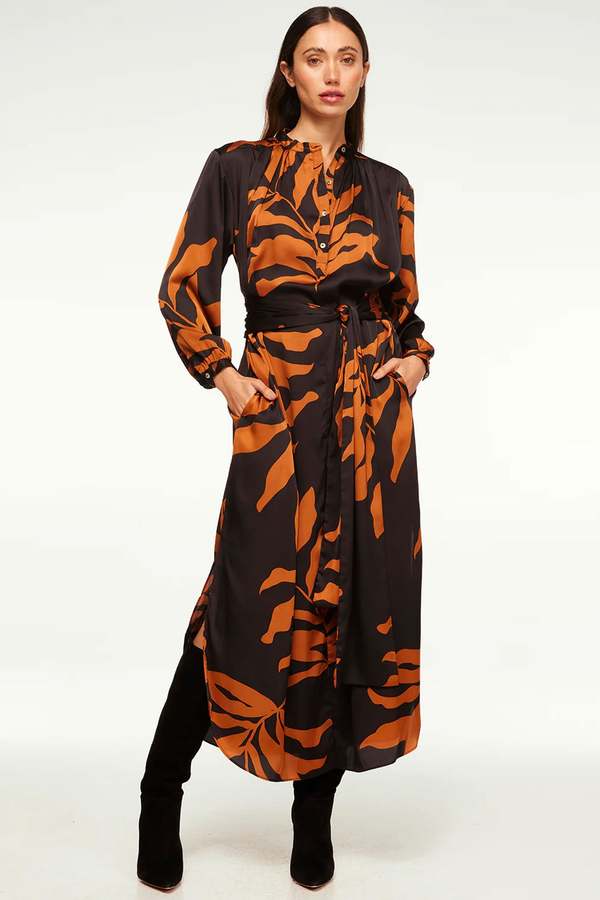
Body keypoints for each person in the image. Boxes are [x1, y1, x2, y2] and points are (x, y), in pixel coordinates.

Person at [137, 6, 435, 892]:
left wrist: (416, 360)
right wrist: (223, 376)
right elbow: (182, 286)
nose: (332, 73)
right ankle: (161, 788)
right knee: (245, 600)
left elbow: (405, 310)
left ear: (365, 73)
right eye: (315, 58)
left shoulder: (390, 188)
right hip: (281, 419)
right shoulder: (237, 168)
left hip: (373, 429)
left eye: (347, 58)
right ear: (288, 72)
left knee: (349, 609)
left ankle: (313, 816)